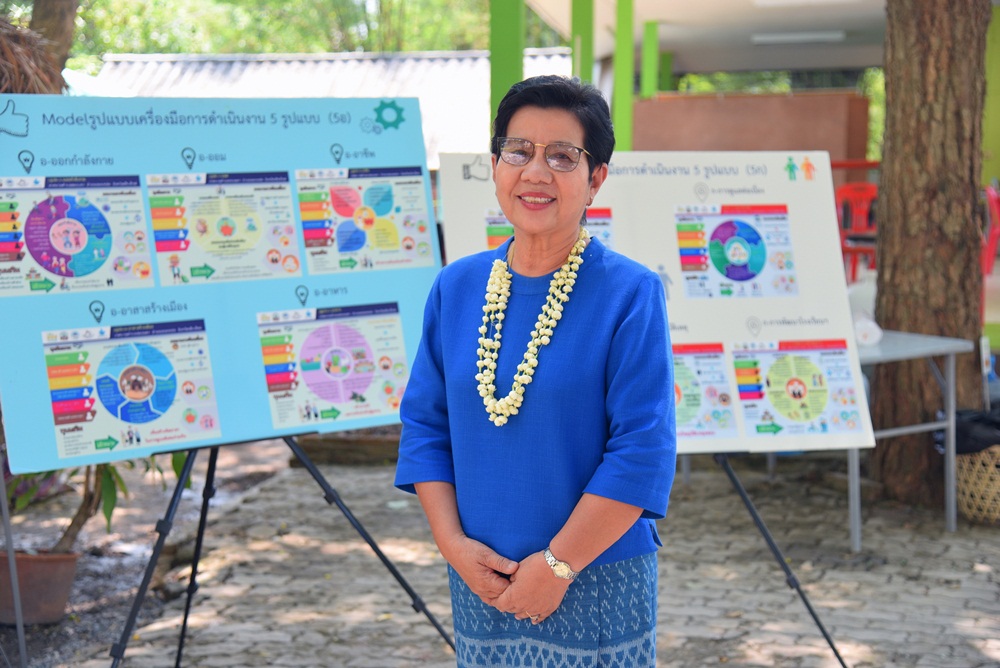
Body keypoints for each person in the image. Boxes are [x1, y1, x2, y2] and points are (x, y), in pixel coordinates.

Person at [395, 74, 676, 667]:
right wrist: (453, 547)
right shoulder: (456, 287)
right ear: (496, 165)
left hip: (594, 578)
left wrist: (556, 567)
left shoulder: (630, 293)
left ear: (595, 179)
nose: (536, 172)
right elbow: (425, 428)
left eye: (563, 156)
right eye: (518, 151)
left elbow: (641, 452)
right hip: (483, 577)